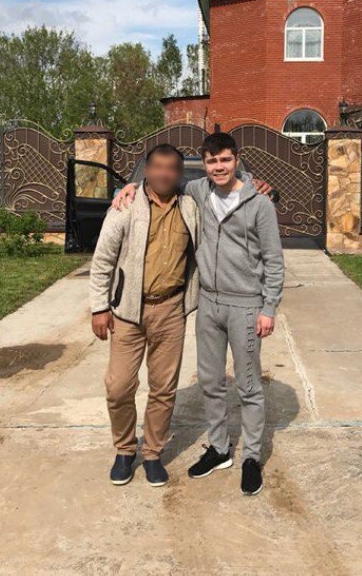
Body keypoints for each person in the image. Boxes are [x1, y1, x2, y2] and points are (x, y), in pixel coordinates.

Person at [114, 132, 284, 496]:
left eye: (224, 160)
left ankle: (251, 456)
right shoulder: (198, 192)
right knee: (210, 381)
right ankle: (221, 448)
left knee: (249, 384)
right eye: (211, 161)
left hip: (246, 304)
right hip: (208, 302)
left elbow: (273, 260)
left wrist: (269, 307)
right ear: (204, 165)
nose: (218, 167)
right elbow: (159, 181)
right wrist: (125, 189)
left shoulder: (259, 204)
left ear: (236, 159)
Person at [89, 143, 199, 488]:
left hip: (171, 310)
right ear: (146, 171)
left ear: (179, 174)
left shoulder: (192, 206)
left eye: (172, 168)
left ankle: (152, 453)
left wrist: (256, 183)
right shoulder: (126, 205)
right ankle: (124, 450)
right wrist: (99, 307)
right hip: (127, 313)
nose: (164, 173)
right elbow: (103, 260)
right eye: (157, 167)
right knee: (118, 387)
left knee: (164, 389)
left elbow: (229, 182)